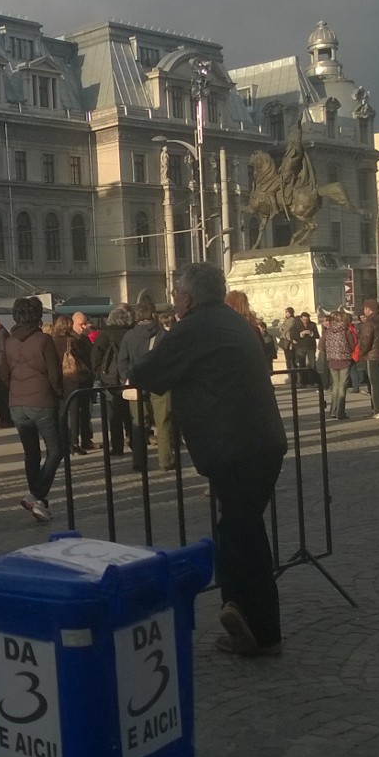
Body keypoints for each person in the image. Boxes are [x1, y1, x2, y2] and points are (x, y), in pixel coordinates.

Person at [130, 263, 287, 658]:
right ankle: (245, 615)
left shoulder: (193, 327)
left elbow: (147, 372)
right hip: (259, 442)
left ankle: (252, 621)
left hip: (234, 447)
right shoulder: (232, 320)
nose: (174, 300)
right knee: (243, 529)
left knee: (239, 533)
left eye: (176, 293)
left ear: (188, 297)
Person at [0, 296, 62, 521]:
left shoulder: (9, 342)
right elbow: (54, 374)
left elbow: (2, 373)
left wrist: (14, 388)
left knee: (31, 452)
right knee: (56, 449)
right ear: (37, 315)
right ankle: (36, 495)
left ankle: (39, 504)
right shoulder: (43, 340)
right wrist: (59, 394)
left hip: (17, 403)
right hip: (41, 400)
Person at [90, 305, 134, 454]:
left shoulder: (105, 334)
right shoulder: (130, 333)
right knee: (130, 414)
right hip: (128, 378)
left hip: (110, 380)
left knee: (114, 415)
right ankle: (134, 441)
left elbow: (95, 356)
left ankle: (117, 446)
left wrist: (100, 374)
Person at [49, 315, 94, 456]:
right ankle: (74, 442)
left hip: (59, 379)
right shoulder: (73, 341)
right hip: (73, 379)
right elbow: (85, 358)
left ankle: (63, 441)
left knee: (62, 412)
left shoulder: (51, 341)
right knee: (74, 412)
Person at [320, 312, 354, 420]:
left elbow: (321, 344)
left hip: (332, 361)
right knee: (342, 386)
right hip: (344, 360)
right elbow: (352, 345)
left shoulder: (328, 331)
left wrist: (329, 352)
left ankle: (333, 411)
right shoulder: (346, 331)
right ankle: (340, 412)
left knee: (335, 385)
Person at [288, 312, 319, 386]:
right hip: (300, 347)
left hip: (311, 347)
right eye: (303, 320)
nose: (305, 322)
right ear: (301, 318)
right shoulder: (296, 325)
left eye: (306, 320)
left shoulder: (312, 325)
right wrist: (301, 334)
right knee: (301, 365)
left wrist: (311, 333)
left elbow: (317, 335)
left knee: (312, 364)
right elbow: (292, 335)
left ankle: (312, 381)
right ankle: (303, 382)